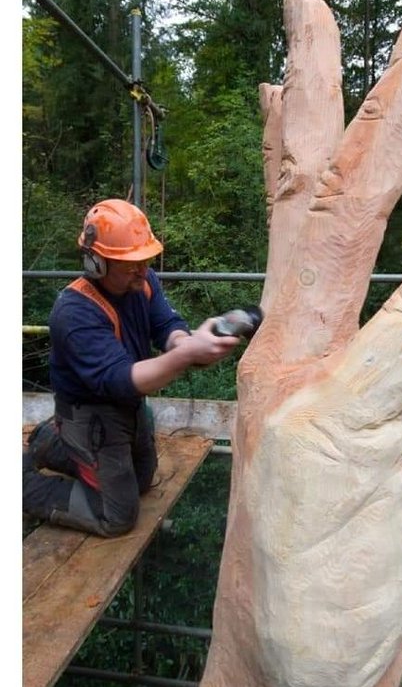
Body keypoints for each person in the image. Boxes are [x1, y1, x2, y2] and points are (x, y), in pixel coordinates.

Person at [23, 199, 240, 536]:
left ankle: (48, 441)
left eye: (145, 261)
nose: (142, 270)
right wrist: (185, 356)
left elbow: (167, 325)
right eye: (130, 265)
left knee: (141, 479)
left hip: (126, 408)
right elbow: (120, 380)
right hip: (90, 414)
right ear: (97, 263)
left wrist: (190, 344)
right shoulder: (74, 312)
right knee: (118, 515)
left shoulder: (143, 280)